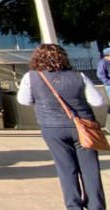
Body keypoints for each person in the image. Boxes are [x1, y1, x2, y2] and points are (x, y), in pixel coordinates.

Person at [17, 44, 106, 210]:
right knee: (90, 169)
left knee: (66, 168)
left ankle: (73, 206)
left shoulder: (31, 77)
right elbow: (98, 101)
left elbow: (24, 100)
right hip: (82, 126)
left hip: (52, 127)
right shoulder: (79, 76)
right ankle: (96, 205)